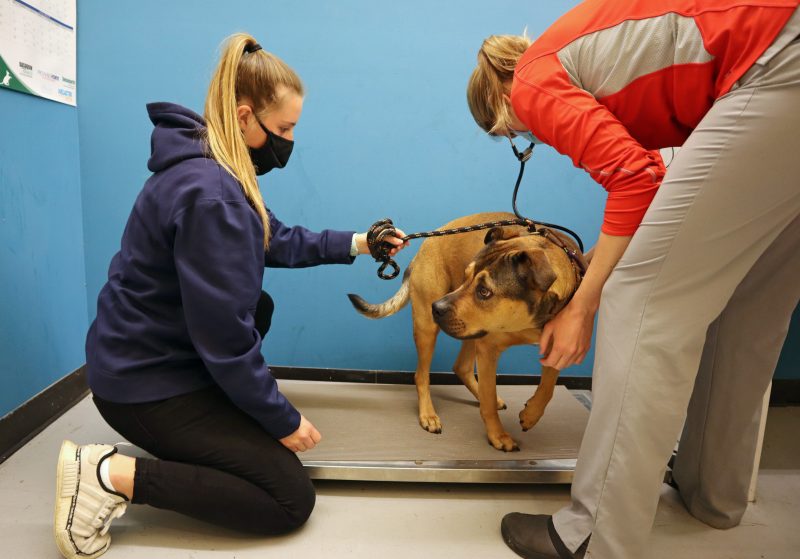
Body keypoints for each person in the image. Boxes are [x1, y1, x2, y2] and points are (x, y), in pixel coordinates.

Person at [53, 33, 406, 559]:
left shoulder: (214, 166)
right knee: (288, 497)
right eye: (283, 129)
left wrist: (359, 243)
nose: (289, 141)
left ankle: (204, 415)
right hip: (142, 384)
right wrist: (282, 418)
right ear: (245, 117)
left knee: (257, 306)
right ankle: (107, 476)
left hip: (145, 355)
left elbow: (274, 237)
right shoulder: (211, 193)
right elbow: (224, 338)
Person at [466, 1, 800, 558]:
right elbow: (670, 189)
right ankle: (711, 495)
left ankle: (594, 535)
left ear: (502, 103)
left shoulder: (530, 82)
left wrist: (582, 306)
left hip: (773, 62)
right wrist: (591, 262)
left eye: (516, 136)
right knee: (746, 302)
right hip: (779, 53)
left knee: (638, 302)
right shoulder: (601, 61)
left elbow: (634, 181)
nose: (536, 142)